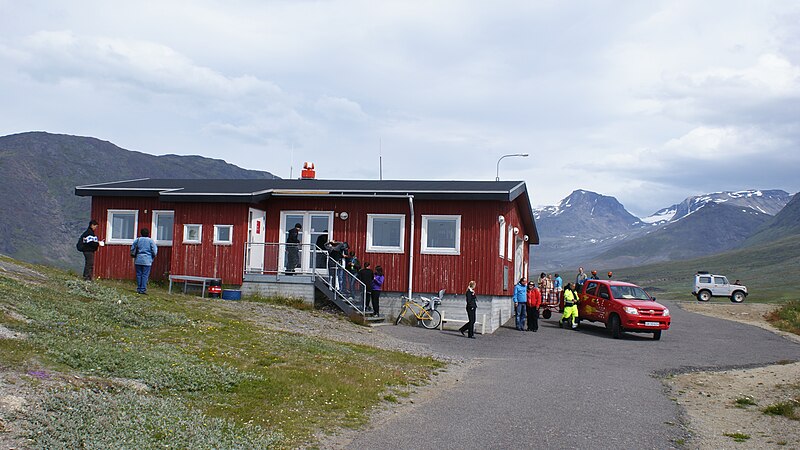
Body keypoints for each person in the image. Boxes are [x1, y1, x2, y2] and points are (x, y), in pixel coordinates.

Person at [131, 228, 157, 295]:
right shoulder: (150, 241)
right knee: (145, 275)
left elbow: (132, 248)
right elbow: (154, 250)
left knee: (139, 274)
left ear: (141, 233)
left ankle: (139, 288)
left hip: (138, 259)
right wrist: (153, 256)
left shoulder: (137, 240)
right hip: (147, 260)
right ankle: (143, 289)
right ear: (148, 233)